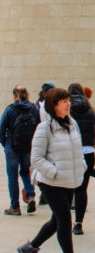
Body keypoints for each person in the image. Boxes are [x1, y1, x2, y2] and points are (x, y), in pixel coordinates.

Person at [17, 87, 89, 253]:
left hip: (69, 180)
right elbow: (36, 158)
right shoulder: (44, 128)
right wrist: (54, 172)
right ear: (52, 105)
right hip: (51, 182)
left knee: (56, 221)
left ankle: (29, 248)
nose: (68, 104)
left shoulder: (72, 124)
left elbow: (77, 149)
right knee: (65, 220)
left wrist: (81, 165)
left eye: (68, 100)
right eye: (63, 101)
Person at [68, 82, 95, 236]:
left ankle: (61, 221)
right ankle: (78, 224)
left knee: (65, 188)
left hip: (69, 153)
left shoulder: (66, 108)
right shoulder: (91, 111)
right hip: (88, 151)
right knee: (82, 189)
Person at [1, 86, 39, 215]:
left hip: (12, 146)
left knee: (12, 176)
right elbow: (39, 126)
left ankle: (15, 207)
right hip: (28, 146)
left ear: (15, 96)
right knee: (26, 172)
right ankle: (30, 196)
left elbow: (1, 128)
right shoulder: (34, 109)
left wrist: (5, 143)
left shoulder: (10, 109)